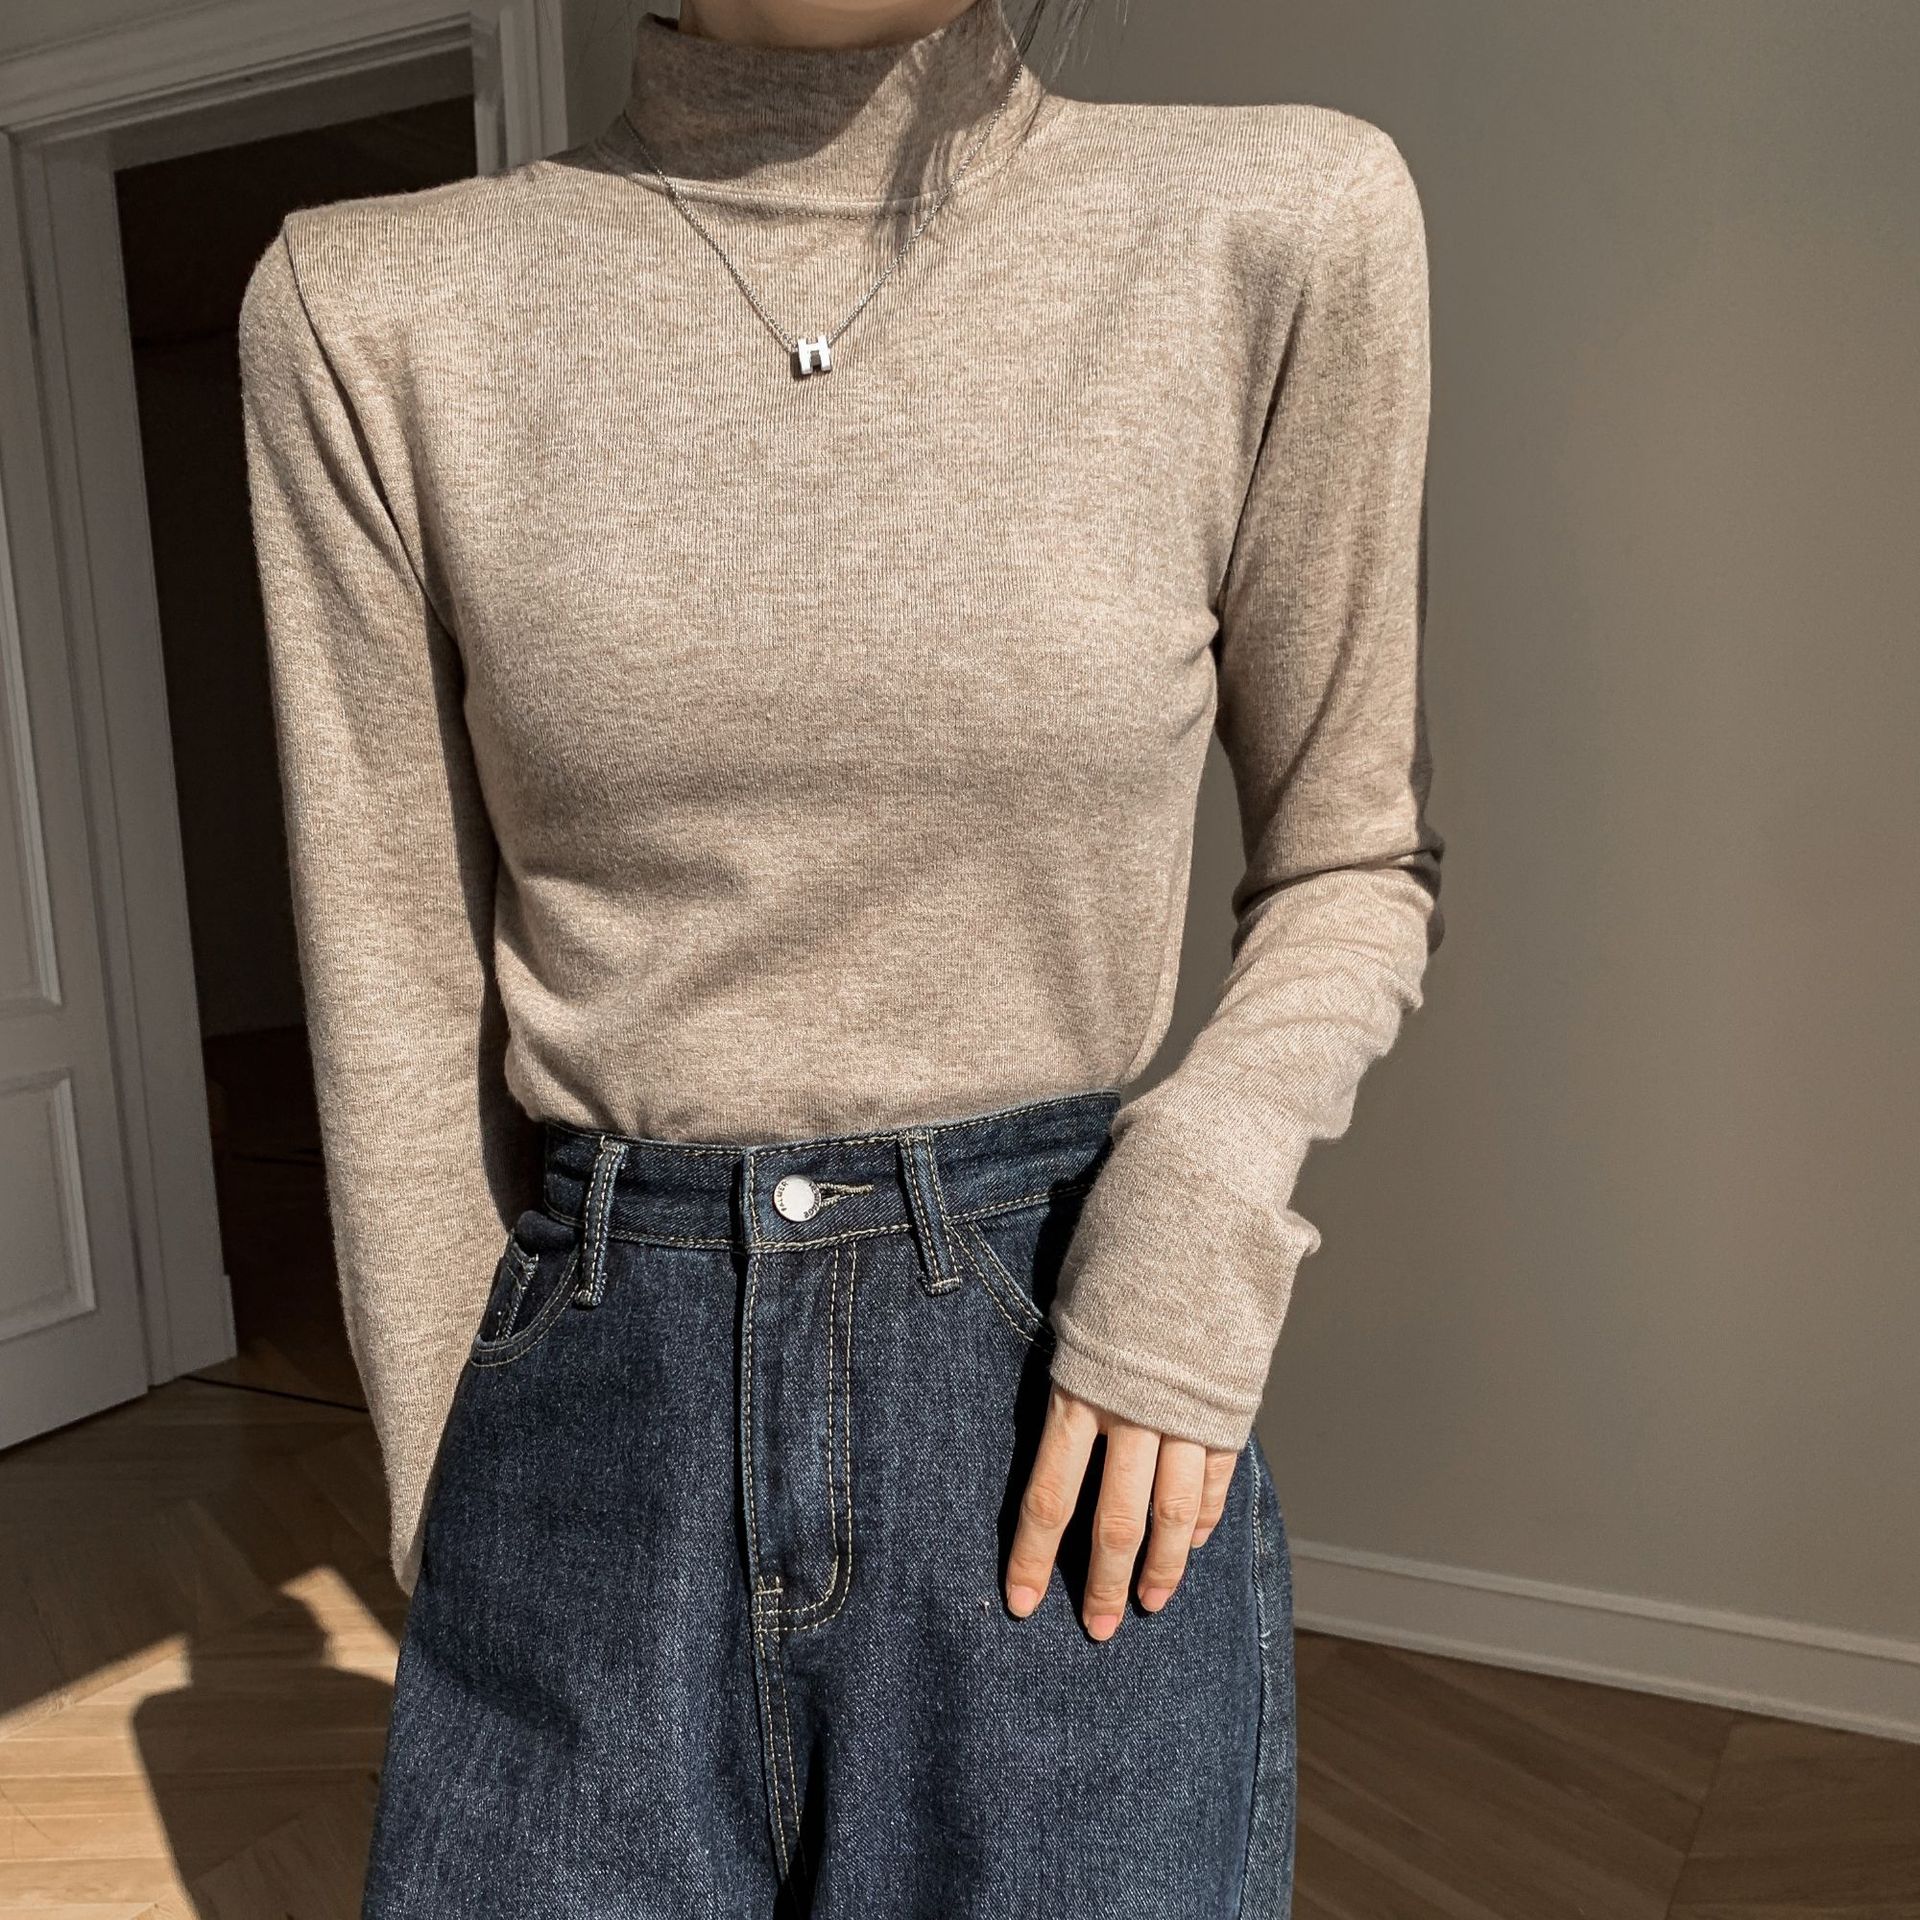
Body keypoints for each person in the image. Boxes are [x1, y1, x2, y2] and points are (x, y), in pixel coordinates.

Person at [234, 0, 1444, 1910]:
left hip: (1057, 1387)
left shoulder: (1274, 222)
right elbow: (395, 985)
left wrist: (1202, 1193)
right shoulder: (372, 310)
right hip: (590, 1406)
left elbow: (1353, 855)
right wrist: (454, 1519)